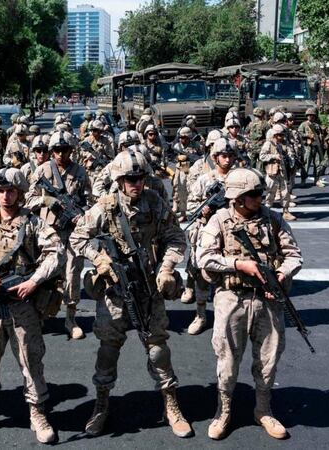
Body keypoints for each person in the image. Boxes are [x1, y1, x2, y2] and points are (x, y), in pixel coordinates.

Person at [69, 151, 192, 438]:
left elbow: (176, 237)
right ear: (119, 180)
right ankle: (101, 405)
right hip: (113, 292)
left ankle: (171, 403)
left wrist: (167, 267)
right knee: (108, 350)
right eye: (129, 179)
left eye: (139, 178)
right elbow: (77, 238)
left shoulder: (154, 203)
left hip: (148, 289)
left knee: (158, 349)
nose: (136, 183)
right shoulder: (105, 207)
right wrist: (99, 259)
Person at [196, 168, 303, 440]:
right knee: (227, 360)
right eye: (255, 194)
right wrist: (237, 264)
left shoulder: (273, 220)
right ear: (238, 198)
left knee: (268, 359)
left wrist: (280, 275)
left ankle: (263, 410)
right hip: (232, 300)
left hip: (268, 301)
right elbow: (204, 258)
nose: (261, 198)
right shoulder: (219, 221)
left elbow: (294, 255)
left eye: (261, 193)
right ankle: (224, 411)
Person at [0, 168, 63, 443]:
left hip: (23, 304)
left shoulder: (33, 223)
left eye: (11, 191)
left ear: (19, 193)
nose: (5, 196)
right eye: (0, 191)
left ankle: (37, 412)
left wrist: (34, 281)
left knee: (31, 361)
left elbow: (56, 254)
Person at [25, 131, 90, 339]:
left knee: (72, 273)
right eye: (56, 150)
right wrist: (45, 201)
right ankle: (42, 315)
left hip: (73, 232)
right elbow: (27, 201)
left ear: (72, 150)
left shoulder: (80, 173)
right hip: (47, 233)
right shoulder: (43, 171)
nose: (61, 154)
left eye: (65, 150)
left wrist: (82, 216)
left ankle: (70, 318)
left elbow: (89, 199)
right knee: (46, 273)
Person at [184, 139, 237, 336]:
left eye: (231, 156)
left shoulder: (239, 178)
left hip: (232, 233)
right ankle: (200, 315)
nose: (228, 160)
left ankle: (229, 317)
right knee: (201, 273)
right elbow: (190, 207)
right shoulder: (205, 180)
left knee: (231, 274)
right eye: (224, 156)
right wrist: (203, 211)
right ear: (215, 158)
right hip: (208, 232)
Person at [260, 125, 297, 221]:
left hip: (281, 171)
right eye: (279, 135)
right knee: (270, 192)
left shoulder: (279, 145)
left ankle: (286, 211)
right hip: (272, 172)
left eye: (282, 135)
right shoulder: (268, 144)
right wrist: (273, 156)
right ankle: (267, 211)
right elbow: (262, 156)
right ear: (275, 135)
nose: (282, 137)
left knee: (285, 192)